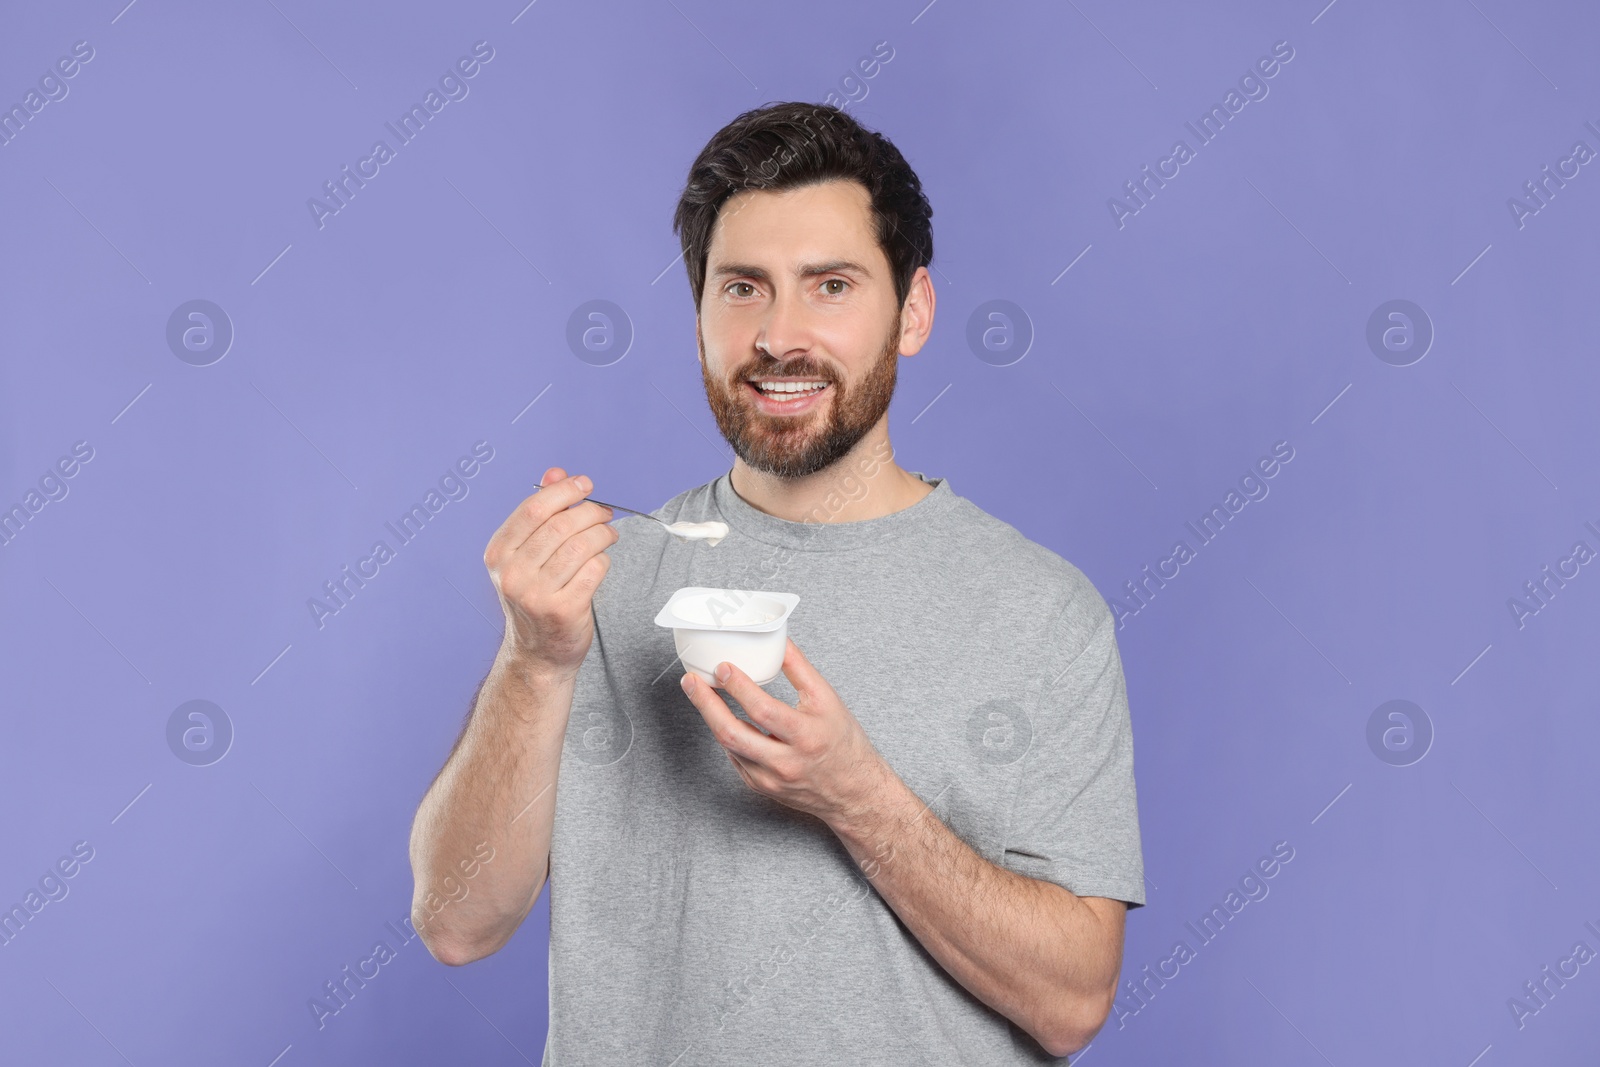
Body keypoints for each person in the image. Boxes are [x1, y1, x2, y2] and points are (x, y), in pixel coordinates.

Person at [408, 101, 1144, 1064]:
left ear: (912, 311)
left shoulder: (1043, 613)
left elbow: (1074, 1001)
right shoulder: (597, 585)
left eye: (830, 285)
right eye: (742, 288)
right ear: (700, 312)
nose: (778, 335)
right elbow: (457, 922)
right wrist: (535, 658)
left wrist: (858, 797)